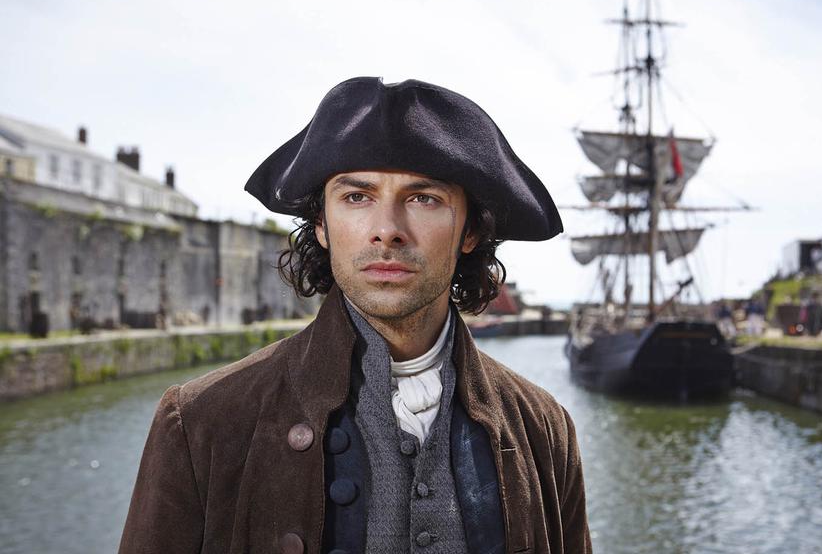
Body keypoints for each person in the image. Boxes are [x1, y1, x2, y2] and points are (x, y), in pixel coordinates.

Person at [119, 77, 591, 554]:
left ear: (470, 230)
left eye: (423, 198)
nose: (387, 230)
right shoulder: (201, 421)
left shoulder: (544, 427)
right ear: (321, 224)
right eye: (357, 197)